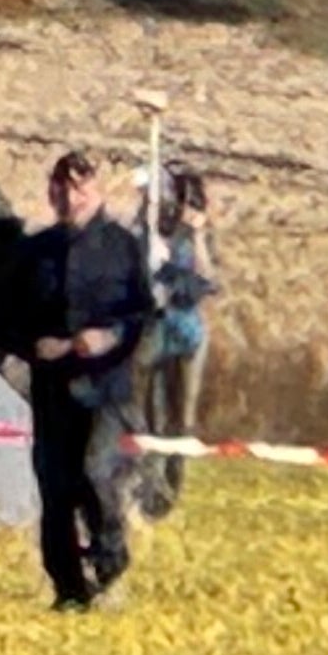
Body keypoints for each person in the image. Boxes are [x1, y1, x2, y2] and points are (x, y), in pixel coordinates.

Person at [18, 149, 153, 610]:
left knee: (96, 473)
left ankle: (109, 558)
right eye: (61, 186)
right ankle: (68, 588)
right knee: (55, 488)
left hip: (106, 386)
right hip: (52, 385)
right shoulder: (37, 250)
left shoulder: (122, 246)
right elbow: (14, 314)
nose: (70, 196)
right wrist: (35, 343)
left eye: (80, 187)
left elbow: (142, 314)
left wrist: (107, 337)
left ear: (96, 190)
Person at [137, 165, 220, 513]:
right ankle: (151, 485)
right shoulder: (151, 232)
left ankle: (174, 483)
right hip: (156, 326)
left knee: (182, 414)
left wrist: (197, 234)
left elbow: (209, 278)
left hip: (188, 330)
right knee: (151, 410)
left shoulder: (197, 237)